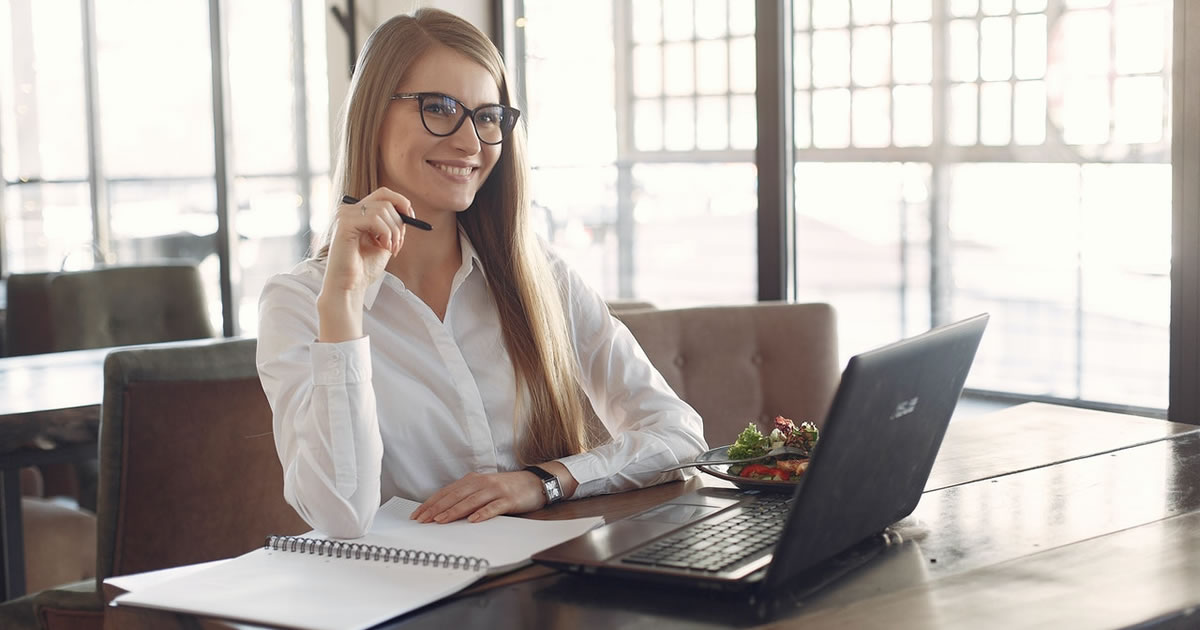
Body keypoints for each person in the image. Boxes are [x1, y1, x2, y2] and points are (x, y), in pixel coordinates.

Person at [256, 8, 707, 539]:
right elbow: (338, 516)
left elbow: (678, 435)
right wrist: (344, 304)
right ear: (373, 116)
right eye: (440, 108)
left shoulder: (540, 276)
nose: (471, 142)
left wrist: (546, 481)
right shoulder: (299, 302)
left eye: (488, 115)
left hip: (547, 582)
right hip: (402, 600)